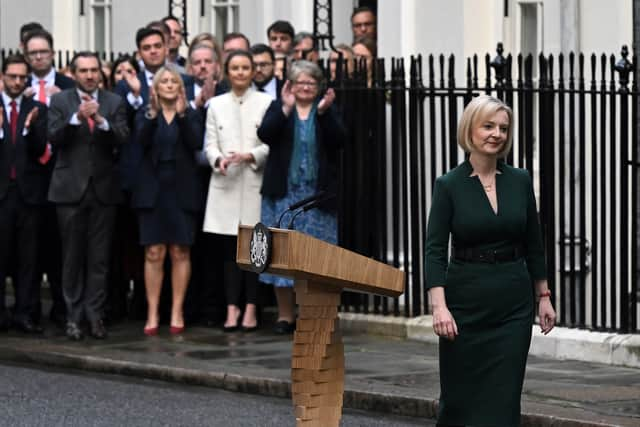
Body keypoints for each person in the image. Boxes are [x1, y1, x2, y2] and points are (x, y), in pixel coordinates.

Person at [424, 95, 556, 426]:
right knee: (459, 397)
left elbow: (533, 242)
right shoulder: (448, 185)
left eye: (503, 128)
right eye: (488, 126)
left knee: (504, 395)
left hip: (513, 303)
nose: (496, 134)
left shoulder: (520, 180)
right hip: (466, 302)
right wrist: (439, 307)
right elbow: (435, 250)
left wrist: (544, 296)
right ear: (470, 129)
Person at [257, 60, 346, 334]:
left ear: (319, 86)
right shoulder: (279, 108)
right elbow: (265, 134)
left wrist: (324, 114)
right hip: (284, 195)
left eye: (311, 83)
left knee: (317, 259)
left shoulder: (326, 110)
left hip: (317, 198)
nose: (305, 87)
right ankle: (286, 316)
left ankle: (314, 315)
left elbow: (340, 140)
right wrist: (284, 108)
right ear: (290, 86)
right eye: (300, 82)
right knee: (282, 255)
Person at [47, 51, 129, 340]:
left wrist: (102, 121)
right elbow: (54, 138)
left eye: (94, 70)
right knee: (71, 257)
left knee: (99, 258)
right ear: (74, 73)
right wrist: (75, 119)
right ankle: (73, 316)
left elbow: (122, 137)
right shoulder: (60, 101)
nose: (90, 75)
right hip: (70, 190)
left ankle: (95, 316)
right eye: (84, 71)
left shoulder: (114, 101)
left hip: (103, 191)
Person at [203, 50, 272, 332]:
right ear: (227, 72)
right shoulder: (216, 104)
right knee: (230, 253)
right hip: (226, 183)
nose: (241, 72)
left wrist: (251, 155)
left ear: (253, 71)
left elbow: (272, 143)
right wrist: (218, 160)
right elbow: (209, 144)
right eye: (235, 68)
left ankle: (251, 308)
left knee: (255, 249)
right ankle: (232, 308)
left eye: (246, 67)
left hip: (254, 182)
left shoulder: (267, 102)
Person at [132, 65, 203, 336]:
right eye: (165, 82)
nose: (170, 85)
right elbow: (140, 140)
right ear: (156, 87)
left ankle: (177, 310)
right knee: (154, 252)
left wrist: (184, 115)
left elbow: (196, 142)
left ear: (181, 87)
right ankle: (152, 312)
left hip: (182, 189)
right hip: (153, 190)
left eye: (175, 81)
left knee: (180, 251)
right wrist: (152, 112)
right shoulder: (145, 113)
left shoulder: (191, 114)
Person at [23, 28, 76, 329]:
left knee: (62, 248)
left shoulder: (68, 85)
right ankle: (29, 310)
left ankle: (62, 306)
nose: (39, 57)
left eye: (43, 52)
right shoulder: (20, 86)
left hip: (64, 175)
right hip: (32, 178)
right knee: (32, 249)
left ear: (53, 53)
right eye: (33, 53)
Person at [0, 54, 48, 334]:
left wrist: (30, 129)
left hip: (29, 195)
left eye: (22, 77)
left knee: (28, 258)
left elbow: (41, 150)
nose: (17, 82)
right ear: (3, 77)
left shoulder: (37, 108)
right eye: (12, 76)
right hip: (2, 194)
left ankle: (26, 313)